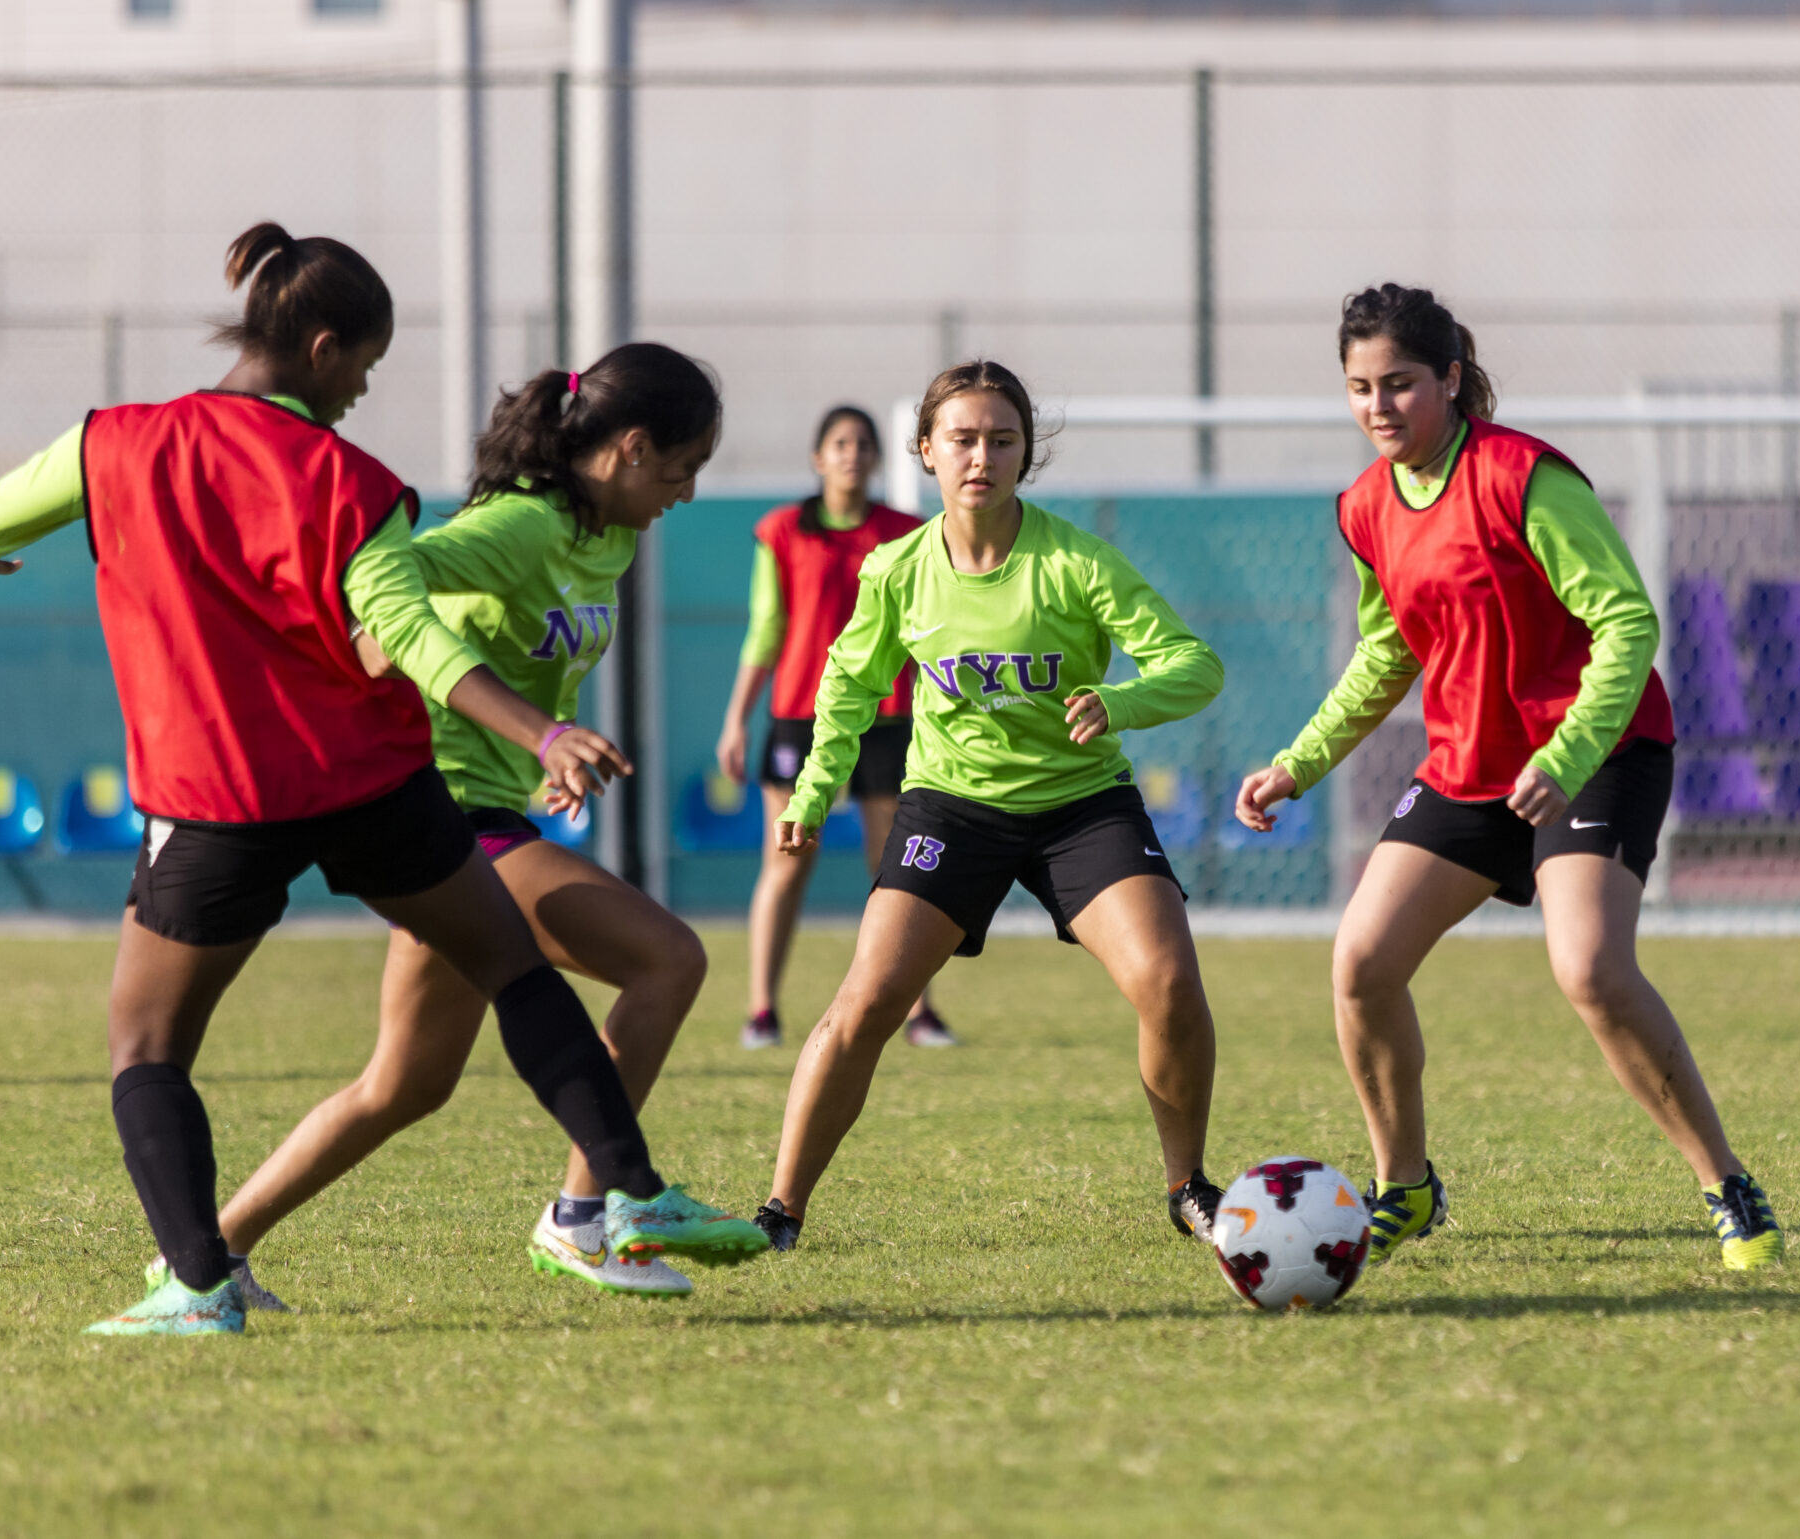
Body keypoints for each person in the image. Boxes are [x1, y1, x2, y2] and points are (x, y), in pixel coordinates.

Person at [0, 225, 757, 1334]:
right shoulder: (354, 483)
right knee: (498, 984)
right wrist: (540, 732)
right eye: (364, 363)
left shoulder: (112, 442)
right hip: (372, 783)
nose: (362, 387)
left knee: (148, 1047)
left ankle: (201, 1285)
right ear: (319, 346)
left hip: (218, 795)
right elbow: (409, 630)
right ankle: (623, 1195)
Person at [179, 342, 761, 1304]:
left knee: (402, 1086)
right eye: (681, 468)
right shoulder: (518, 526)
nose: (688, 494)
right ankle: (585, 1215)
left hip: (492, 812)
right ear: (626, 448)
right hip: (439, 820)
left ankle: (205, 1259)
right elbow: (375, 588)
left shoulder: (607, 535)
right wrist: (385, 654)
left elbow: (529, 652)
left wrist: (550, 757)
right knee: (669, 958)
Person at [1233, 284, 1784, 1273]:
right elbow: (1383, 655)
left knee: (1590, 971)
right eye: (1359, 388)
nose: (1377, 407)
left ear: (1450, 377)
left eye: (1399, 383)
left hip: (1597, 753)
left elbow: (1627, 624)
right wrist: (1295, 764)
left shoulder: (1522, 478)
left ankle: (1724, 1183)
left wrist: (1565, 755)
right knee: (1359, 965)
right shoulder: (1364, 509)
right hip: (1469, 766)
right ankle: (1405, 1184)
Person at [749, 361, 1227, 1253]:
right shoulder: (896, 569)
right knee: (864, 1003)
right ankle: (779, 1212)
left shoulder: (1077, 561)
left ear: (1025, 454)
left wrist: (1119, 702)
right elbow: (846, 689)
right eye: (962, 439)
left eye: (1002, 439)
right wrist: (814, 792)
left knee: (1168, 983)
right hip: (950, 811)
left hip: (1082, 805)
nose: (982, 456)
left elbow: (1196, 665)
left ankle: (1188, 1185)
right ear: (926, 451)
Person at [717, 405, 955, 1051]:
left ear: (878, 458)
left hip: (888, 715)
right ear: (818, 457)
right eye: (839, 443)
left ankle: (918, 1012)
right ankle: (762, 1009)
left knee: (897, 866)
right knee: (789, 860)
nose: (852, 453)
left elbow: (929, 627)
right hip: (799, 712)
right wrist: (736, 719)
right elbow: (765, 630)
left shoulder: (907, 532)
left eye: (862, 444)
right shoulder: (784, 530)